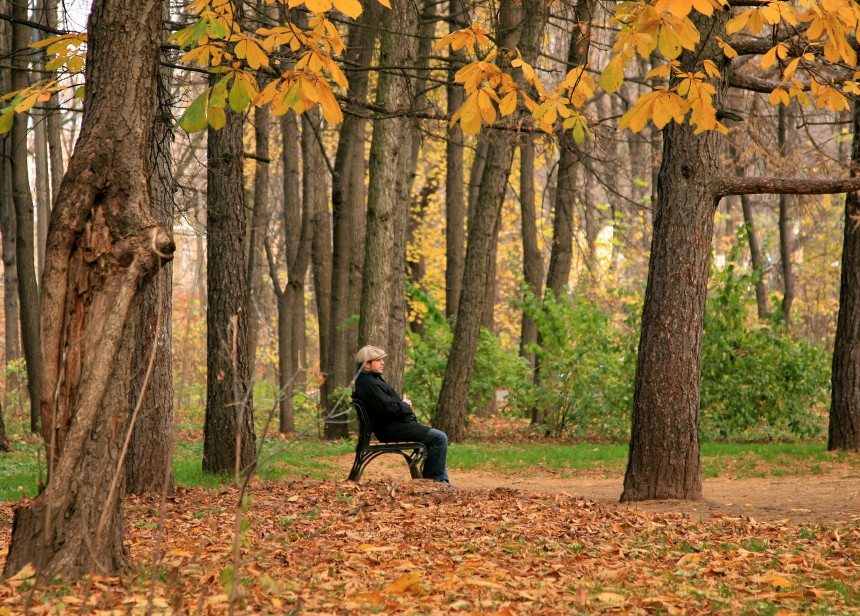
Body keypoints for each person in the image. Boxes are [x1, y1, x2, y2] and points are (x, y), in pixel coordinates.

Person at [352, 345, 453, 487]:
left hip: (395, 427)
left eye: (382, 359)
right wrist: (405, 404)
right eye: (378, 360)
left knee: (436, 438)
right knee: (439, 438)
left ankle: (441, 481)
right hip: (394, 429)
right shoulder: (369, 384)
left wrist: (402, 405)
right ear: (367, 364)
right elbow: (390, 409)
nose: (382, 362)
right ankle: (436, 482)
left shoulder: (369, 381)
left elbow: (387, 406)